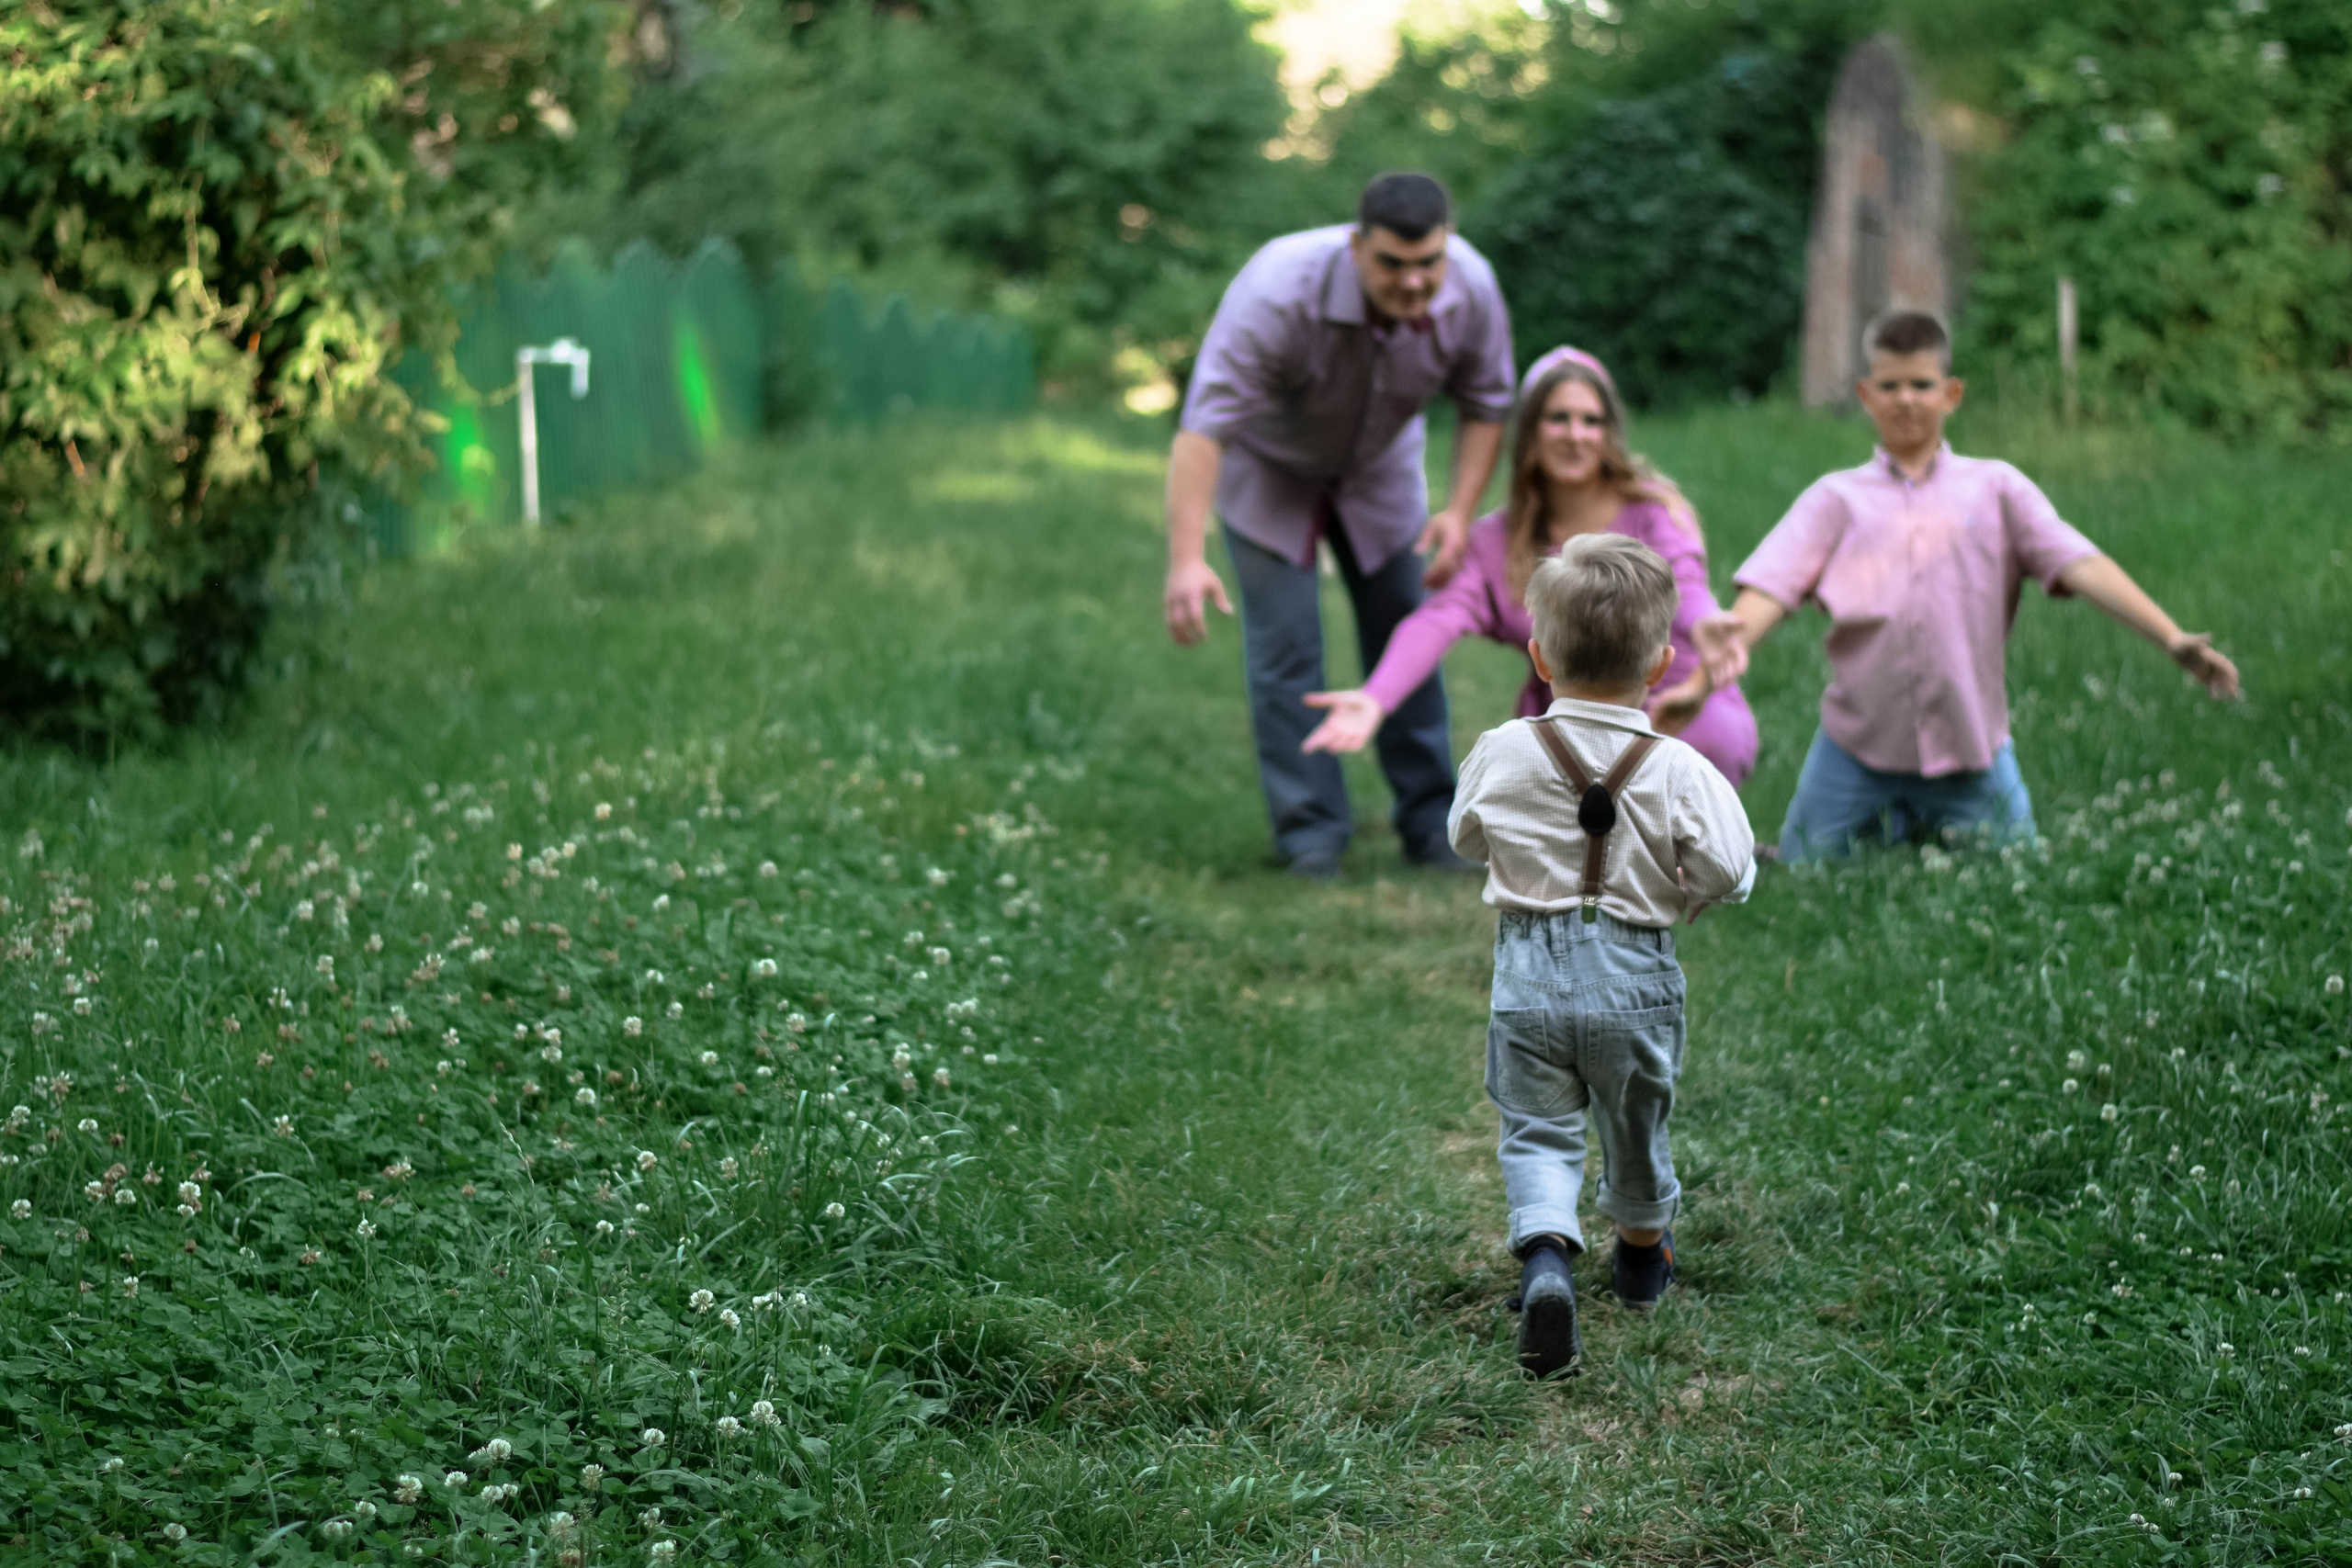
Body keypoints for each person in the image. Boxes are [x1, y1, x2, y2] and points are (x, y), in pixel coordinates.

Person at [1696, 310, 2241, 862]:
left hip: (1971, 750)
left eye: (1921, 384)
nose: (1905, 399)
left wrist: (2170, 637)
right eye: (1889, 385)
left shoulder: (1996, 488)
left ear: (1951, 393)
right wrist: (1722, 653)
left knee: (2019, 867)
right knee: (1802, 865)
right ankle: (1876, 828)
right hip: (1857, 748)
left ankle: (1917, 825)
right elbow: (1774, 584)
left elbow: (2080, 563)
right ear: (1865, 395)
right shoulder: (1836, 499)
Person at [1449, 533, 1756, 1377]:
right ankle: (1640, 1263)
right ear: (1660, 663)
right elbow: (1732, 869)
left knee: (1540, 1128)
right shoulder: (1682, 769)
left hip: (1529, 975)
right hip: (1636, 974)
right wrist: (1686, 886)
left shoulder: (1506, 748)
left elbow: (1465, 832)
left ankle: (1547, 1259)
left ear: (1539, 655)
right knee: (1634, 1122)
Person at [1163, 172, 1516, 878]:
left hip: (1382, 472)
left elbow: (1487, 402)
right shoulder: (1276, 291)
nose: (1413, 282)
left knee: (1407, 635)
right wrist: (1185, 557)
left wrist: (1457, 512)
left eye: (1428, 264)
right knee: (1286, 651)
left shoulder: (1472, 285)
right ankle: (1311, 835)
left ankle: (1429, 821)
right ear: (1356, 247)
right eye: (1392, 263)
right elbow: (1204, 430)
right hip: (1270, 472)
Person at [1299, 346, 1758, 786]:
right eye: (1558, 418)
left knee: (1702, 754)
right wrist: (1376, 697)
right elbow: (1437, 619)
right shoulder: (1496, 541)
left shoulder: (1654, 513)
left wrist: (1704, 624)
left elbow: (1685, 584)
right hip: (1568, 724)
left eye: (1591, 420)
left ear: (1609, 434)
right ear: (1531, 434)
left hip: (1675, 704)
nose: (1575, 435)